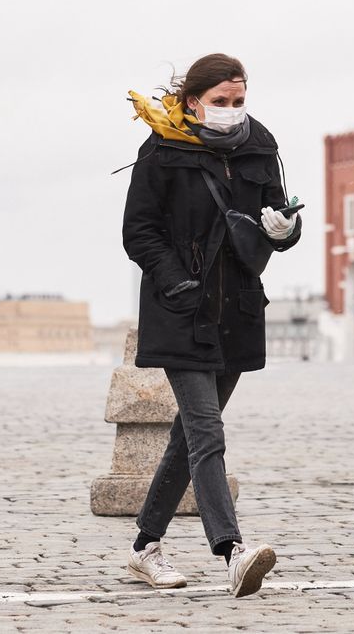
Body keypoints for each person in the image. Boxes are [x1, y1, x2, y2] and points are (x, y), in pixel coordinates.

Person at [121, 53, 301, 597]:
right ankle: (232, 550)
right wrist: (177, 282)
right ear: (193, 101)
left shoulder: (261, 145)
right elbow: (138, 232)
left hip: (238, 310)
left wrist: (284, 227)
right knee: (207, 432)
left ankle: (144, 548)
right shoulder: (161, 149)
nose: (230, 111)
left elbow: (277, 222)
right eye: (219, 102)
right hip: (181, 312)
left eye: (238, 101)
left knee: (189, 438)